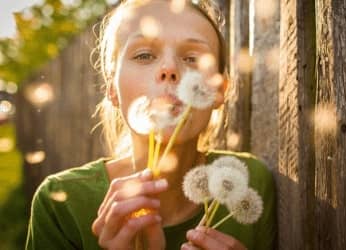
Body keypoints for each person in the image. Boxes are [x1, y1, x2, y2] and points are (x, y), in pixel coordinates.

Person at [25, 0, 276, 249]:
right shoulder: (61, 204)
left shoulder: (249, 181)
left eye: (192, 58)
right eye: (144, 55)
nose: (169, 69)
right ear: (112, 89)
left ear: (219, 91)